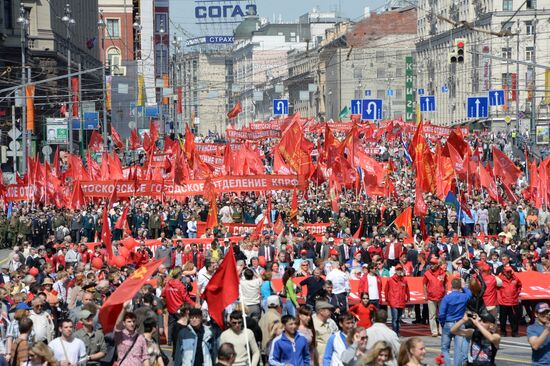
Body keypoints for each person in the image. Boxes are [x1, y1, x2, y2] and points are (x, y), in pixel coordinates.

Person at [439, 278, 472, 366]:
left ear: (451, 286)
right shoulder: (464, 296)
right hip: (460, 323)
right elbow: (469, 293)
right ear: (459, 286)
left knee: (445, 348)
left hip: (448, 322)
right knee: (458, 349)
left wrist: (443, 323)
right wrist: (464, 287)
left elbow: (442, 313)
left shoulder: (447, 297)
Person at [423, 257, 448, 337]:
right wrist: (425, 294)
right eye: (431, 263)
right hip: (431, 297)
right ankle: (434, 331)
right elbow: (424, 284)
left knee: (441, 314)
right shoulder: (427, 273)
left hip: (441, 297)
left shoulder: (443, 272)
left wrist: (446, 293)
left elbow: (446, 284)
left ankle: (441, 330)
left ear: (438, 264)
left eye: (434, 264)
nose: (432, 265)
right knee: (432, 315)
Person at [384, 264, 410, 335]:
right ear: (395, 271)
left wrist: (408, 297)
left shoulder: (404, 280)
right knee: (395, 319)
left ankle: (397, 332)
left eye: (400, 270)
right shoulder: (390, 280)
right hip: (393, 302)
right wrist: (387, 299)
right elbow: (386, 290)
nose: (399, 271)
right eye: (397, 270)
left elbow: (407, 289)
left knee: (398, 319)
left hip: (401, 301)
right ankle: (395, 333)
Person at [497, 265, 522, 337]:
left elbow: (520, 286)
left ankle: (514, 332)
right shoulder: (499, 279)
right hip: (503, 302)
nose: (509, 273)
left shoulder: (515, 278)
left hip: (513, 302)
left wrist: (517, 294)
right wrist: (499, 297)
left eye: (510, 272)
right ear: (504, 272)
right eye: (507, 272)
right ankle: (503, 332)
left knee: (514, 319)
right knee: (502, 319)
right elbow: (496, 288)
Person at [313, 301, 338, 365]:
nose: (330, 312)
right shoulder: (313, 324)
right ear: (321, 311)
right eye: (328, 310)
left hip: (329, 358)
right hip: (318, 359)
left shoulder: (330, 322)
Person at [258, 295, 281, 362]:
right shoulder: (276, 317)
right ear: (278, 305)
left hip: (263, 349)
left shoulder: (263, 317)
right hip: (272, 350)